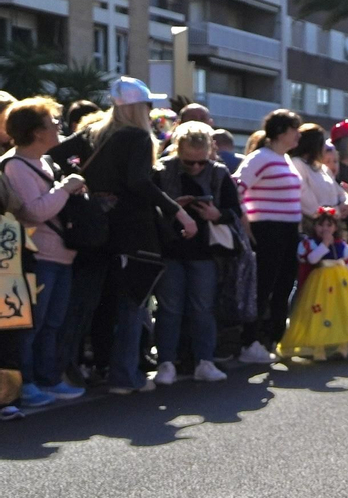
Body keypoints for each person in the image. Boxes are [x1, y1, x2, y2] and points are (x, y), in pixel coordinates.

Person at [62, 80, 195, 393]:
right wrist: (178, 210)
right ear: (140, 107)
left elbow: (56, 155)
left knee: (86, 307)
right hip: (132, 231)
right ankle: (124, 376)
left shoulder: (92, 132)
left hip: (92, 230)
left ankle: (64, 373)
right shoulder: (135, 136)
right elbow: (138, 182)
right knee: (132, 304)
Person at [2, 97, 87, 405]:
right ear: (36, 132)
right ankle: (27, 385)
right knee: (31, 327)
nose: (59, 129)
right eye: (53, 124)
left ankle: (48, 379)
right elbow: (34, 212)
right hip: (37, 257)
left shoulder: (45, 162)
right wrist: (65, 189)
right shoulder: (16, 166)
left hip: (60, 254)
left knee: (51, 324)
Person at [152, 121, 238, 385]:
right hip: (170, 249)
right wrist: (172, 209)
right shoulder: (162, 171)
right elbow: (149, 210)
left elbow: (236, 213)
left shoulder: (219, 173)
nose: (197, 167)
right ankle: (166, 362)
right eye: (189, 162)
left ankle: (205, 360)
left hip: (205, 251)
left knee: (203, 308)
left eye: (201, 161)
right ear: (177, 151)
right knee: (170, 308)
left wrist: (217, 214)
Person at [236, 109, 305, 363]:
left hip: (288, 230)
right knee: (263, 285)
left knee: (284, 284)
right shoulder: (260, 158)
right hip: (266, 229)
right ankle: (250, 341)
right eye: (293, 129)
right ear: (280, 132)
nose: (298, 134)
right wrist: (244, 219)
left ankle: (275, 338)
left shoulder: (285, 159)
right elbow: (237, 186)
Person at [277, 207, 348, 361]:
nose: (325, 229)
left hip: (341, 283)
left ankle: (343, 345)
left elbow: (347, 264)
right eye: (321, 225)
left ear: (336, 227)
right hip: (320, 281)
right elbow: (312, 259)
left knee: (341, 310)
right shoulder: (310, 243)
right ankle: (318, 347)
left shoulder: (341, 245)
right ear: (314, 226)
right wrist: (324, 244)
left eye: (329, 225)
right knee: (319, 312)